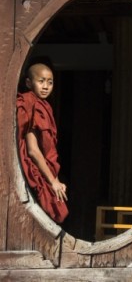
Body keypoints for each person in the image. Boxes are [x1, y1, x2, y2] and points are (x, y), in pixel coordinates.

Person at [16, 63, 68, 224]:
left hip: (47, 171)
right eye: (41, 81)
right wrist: (53, 181)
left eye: (50, 82)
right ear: (28, 83)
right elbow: (33, 150)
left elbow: (49, 149)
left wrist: (55, 178)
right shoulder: (30, 105)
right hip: (34, 171)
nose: (46, 86)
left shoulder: (45, 106)